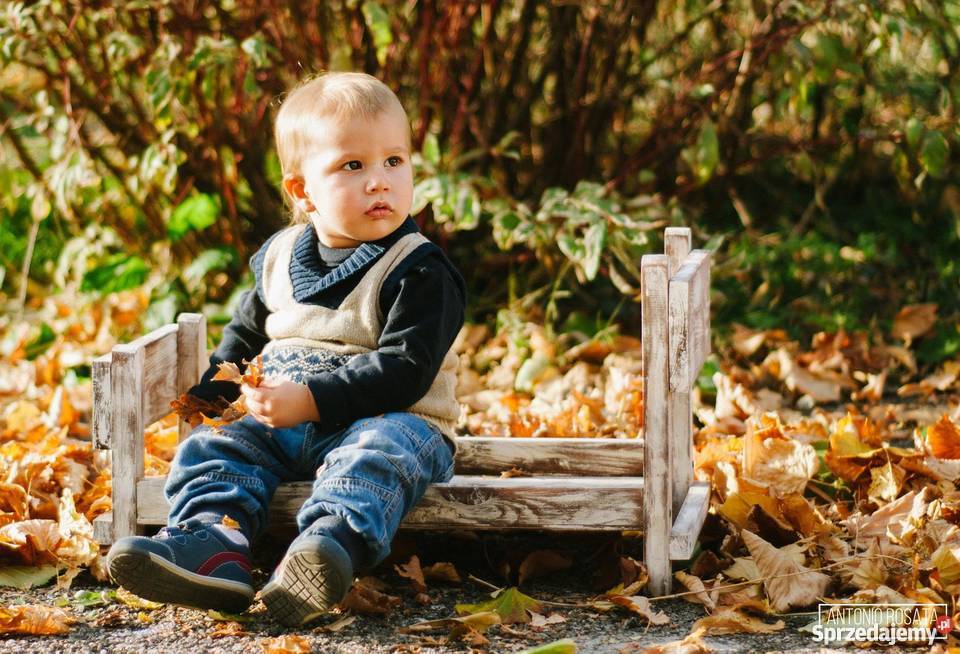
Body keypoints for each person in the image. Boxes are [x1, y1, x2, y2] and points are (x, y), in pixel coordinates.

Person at [106, 72, 465, 627]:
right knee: (215, 446)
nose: (380, 182)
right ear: (301, 190)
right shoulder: (279, 256)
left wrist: (311, 400)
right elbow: (246, 338)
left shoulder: (418, 269)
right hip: (282, 423)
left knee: (379, 452)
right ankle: (214, 545)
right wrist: (212, 397)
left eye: (395, 161)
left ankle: (326, 550)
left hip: (392, 417)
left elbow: (405, 371)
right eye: (354, 166)